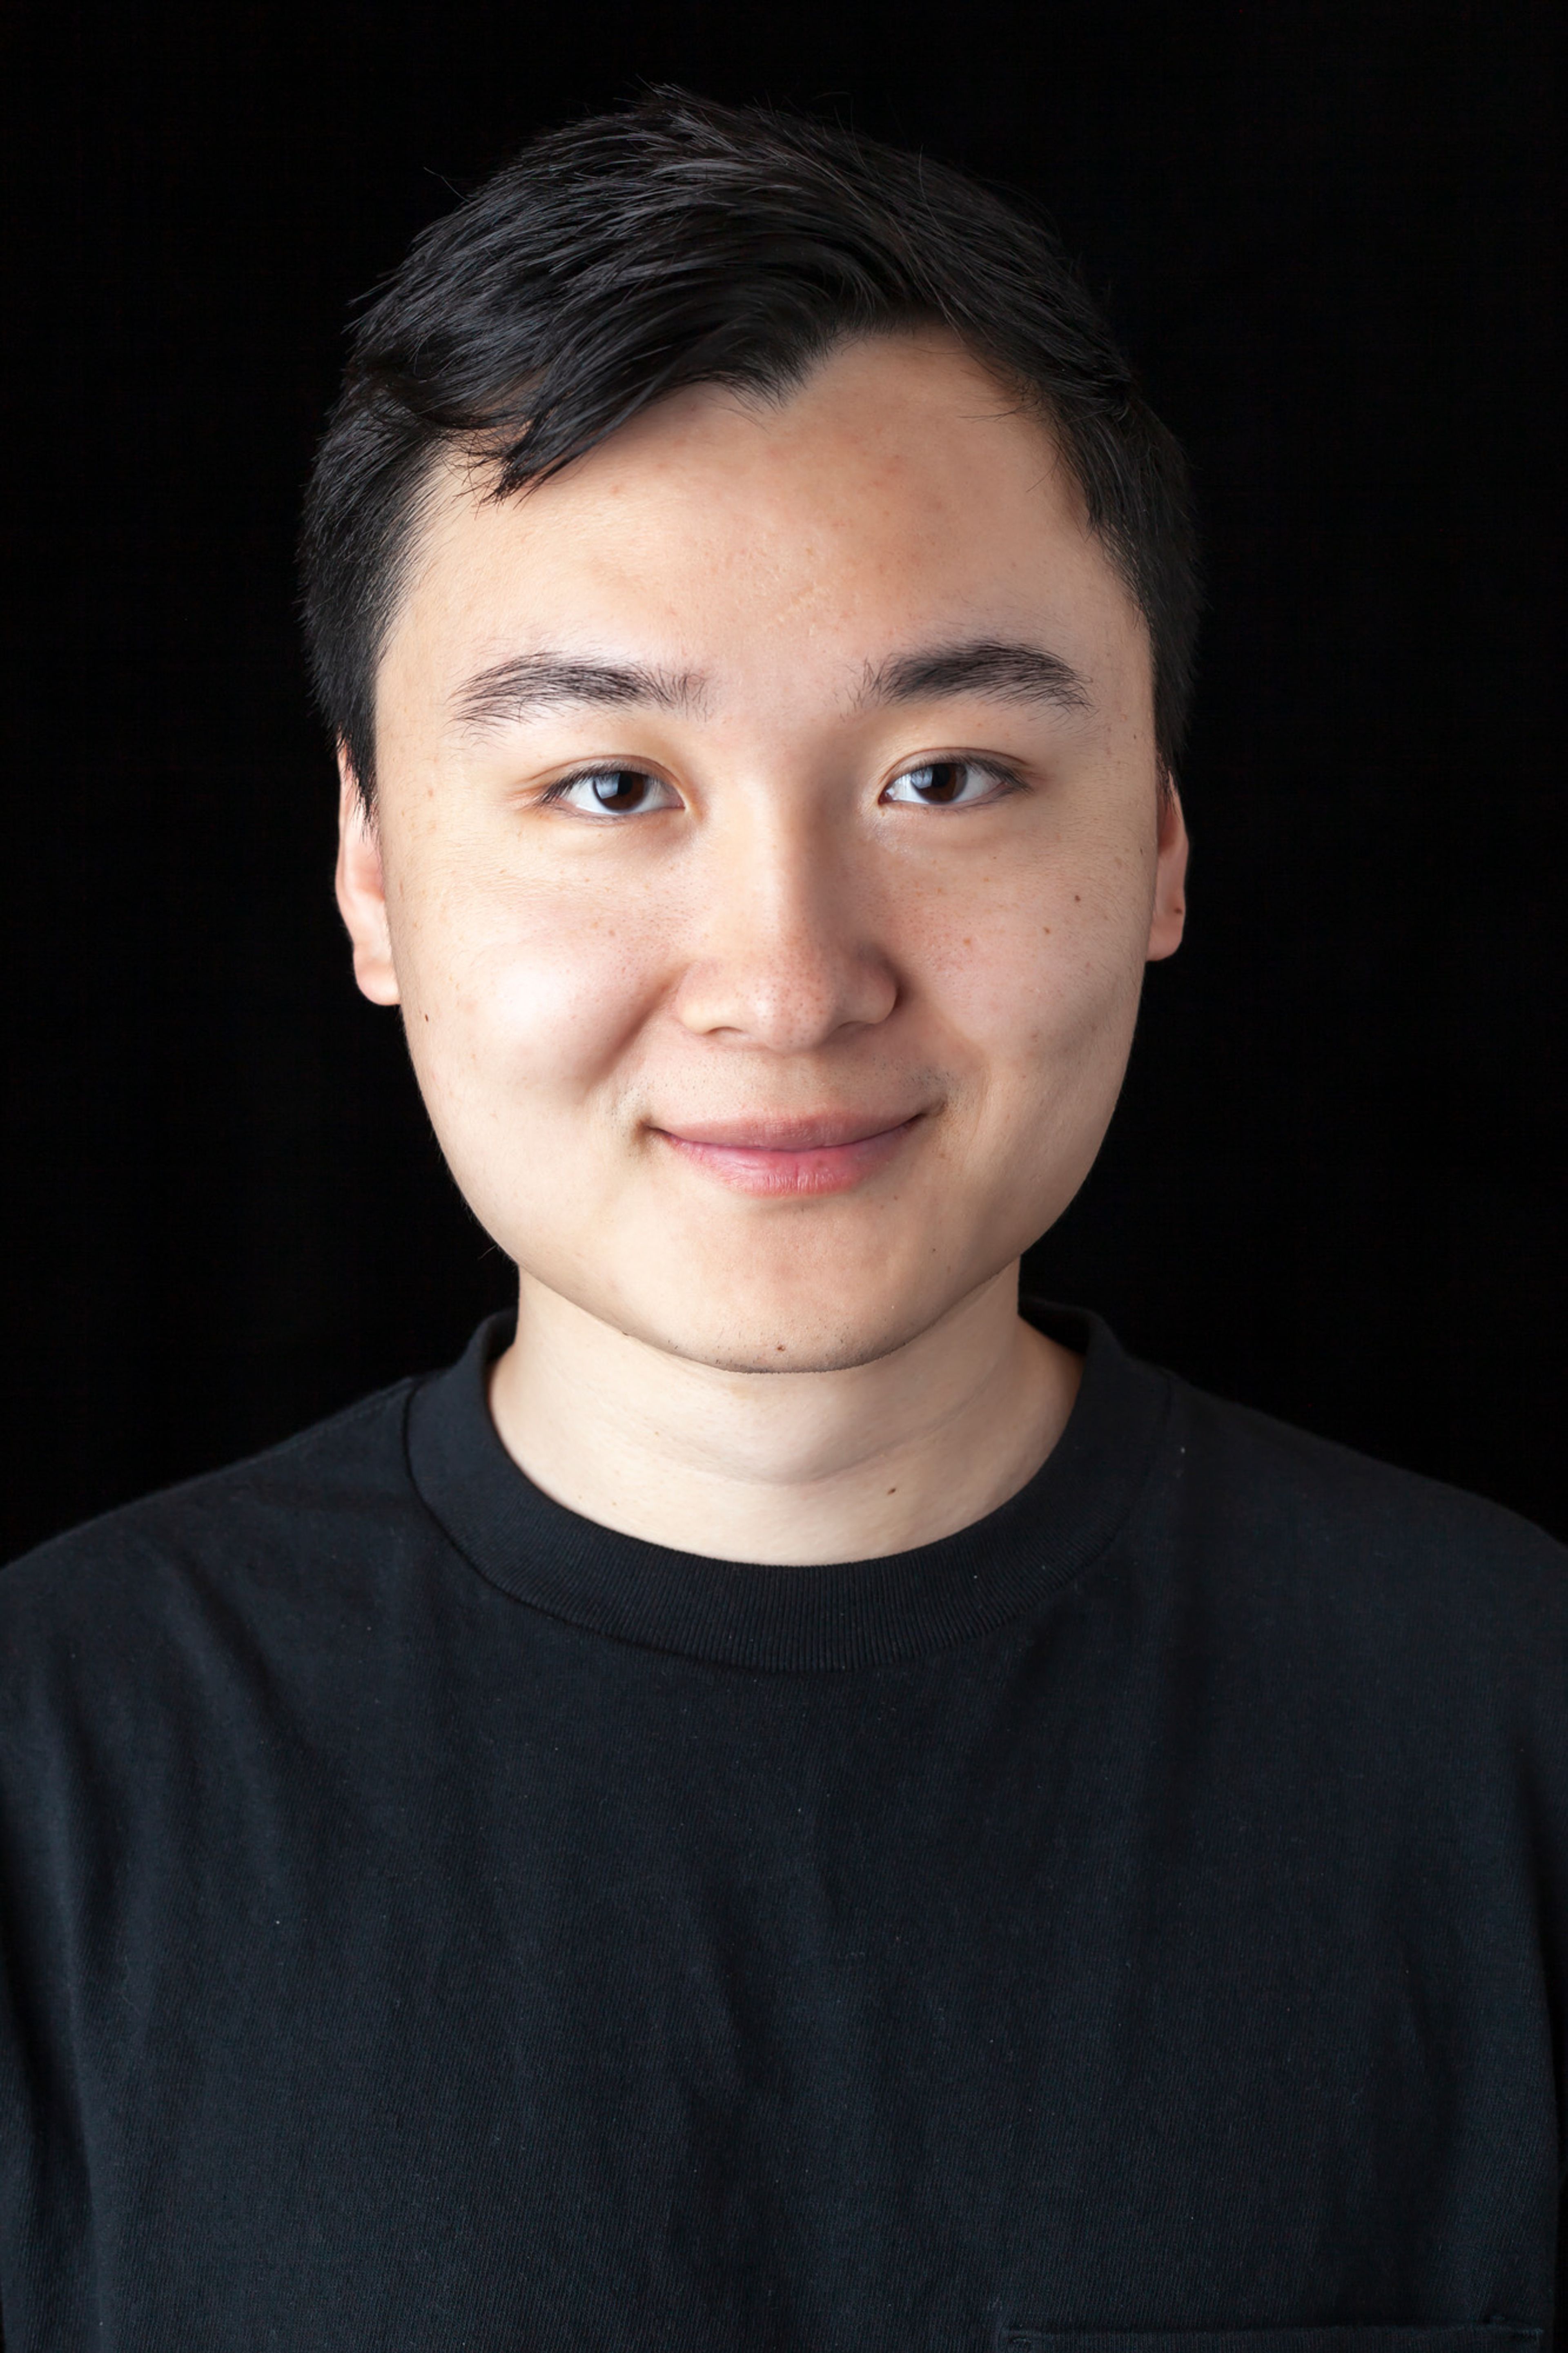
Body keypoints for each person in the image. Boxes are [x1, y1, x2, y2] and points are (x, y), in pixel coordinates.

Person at [0, 88, 1561, 2347]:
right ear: (369, 870)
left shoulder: (1515, 1739)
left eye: (947, 777)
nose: (790, 976)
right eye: (610, 784)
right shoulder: (52, 1782)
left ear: (1159, 846)